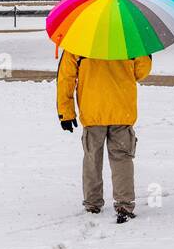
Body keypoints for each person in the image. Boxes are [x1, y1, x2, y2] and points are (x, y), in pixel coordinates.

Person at [57, 51, 152, 223]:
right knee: (122, 159)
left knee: (92, 158)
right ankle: (124, 204)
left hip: (92, 111)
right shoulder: (129, 40)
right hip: (122, 110)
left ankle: (92, 203)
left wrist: (66, 112)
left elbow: (66, 78)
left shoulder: (78, 43)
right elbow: (141, 71)